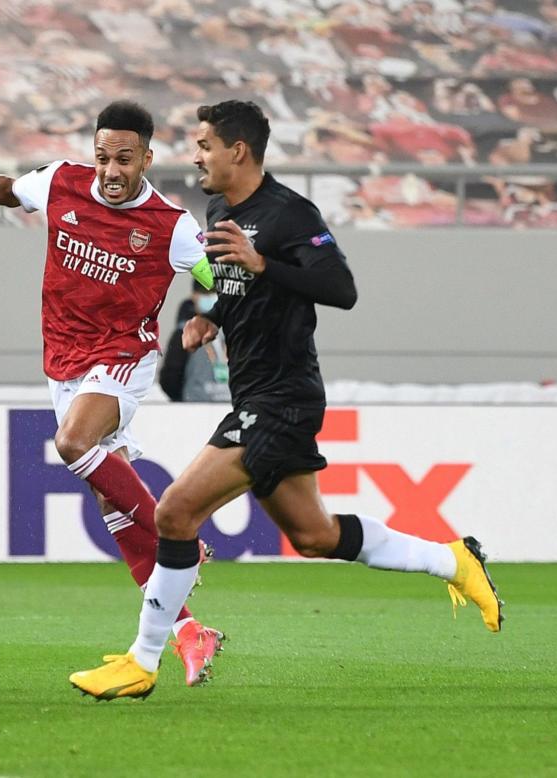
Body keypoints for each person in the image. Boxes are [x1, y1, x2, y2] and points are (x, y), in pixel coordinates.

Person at [69, 100, 502, 701]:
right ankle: (454, 560)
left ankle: (142, 662)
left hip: (282, 398)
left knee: (173, 514)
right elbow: (241, 287)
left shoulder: (289, 215)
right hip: (258, 394)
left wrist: (264, 262)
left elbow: (341, 289)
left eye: (203, 145)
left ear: (236, 151)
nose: (194, 155)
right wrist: (212, 318)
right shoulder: (219, 208)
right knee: (315, 536)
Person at [0, 100, 224, 686]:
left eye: (124, 160)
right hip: (64, 360)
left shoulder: (171, 226)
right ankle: (186, 631)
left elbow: (217, 278)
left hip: (123, 357)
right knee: (111, 504)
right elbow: (8, 190)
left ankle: (175, 534)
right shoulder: (61, 182)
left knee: (73, 441)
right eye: (103, 157)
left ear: (147, 159)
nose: (110, 170)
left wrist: (214, 318)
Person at [158, 280, 230, 403]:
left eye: (213, 293)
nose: (209, 298)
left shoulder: (236, 328)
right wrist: (184, 403)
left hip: (232, 406)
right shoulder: (183, 332)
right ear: (194, 296)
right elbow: (171, 377)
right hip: (194, 409)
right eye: (204, 294)